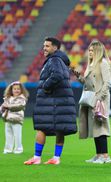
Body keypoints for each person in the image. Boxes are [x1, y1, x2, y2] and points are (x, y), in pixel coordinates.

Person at [24, 37, 77, 165]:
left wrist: (45, 86)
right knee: (60, 129)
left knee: (41, 127)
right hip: (60, 100)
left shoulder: (54, 60)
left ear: (55, 48)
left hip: (51, 101)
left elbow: (57, 75)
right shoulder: (61, 60)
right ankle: (56, 158)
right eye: (44, 46)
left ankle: (37, 157)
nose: (44, 48)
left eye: (47, 46)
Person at [72, 39, 111, 164]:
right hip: (91, 99)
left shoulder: (103, 63)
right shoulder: (91, 64)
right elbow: (87, 83)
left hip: (100, 99)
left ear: (98, 51)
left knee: (101, 127)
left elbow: (108, 83)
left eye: (92, 50)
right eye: (89, 50)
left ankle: (105, 156)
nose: (89, 52)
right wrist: (79, 77)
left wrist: (99, 97)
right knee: (95, 127)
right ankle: (98, 155)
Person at [0, 81, 29, 154]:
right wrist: (2, 108)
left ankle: (18, 149)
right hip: (8, 119)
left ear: (21, 90)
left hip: (17, 119)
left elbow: (19, 106)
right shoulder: (8, 98)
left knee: (17, 135)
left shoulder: (22, 98)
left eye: (18, 89)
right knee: (8, 135)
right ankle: (8, 149)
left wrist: (8, 106)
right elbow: (3, 106)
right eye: (14, 89)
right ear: (11, 90)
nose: (16, 90)